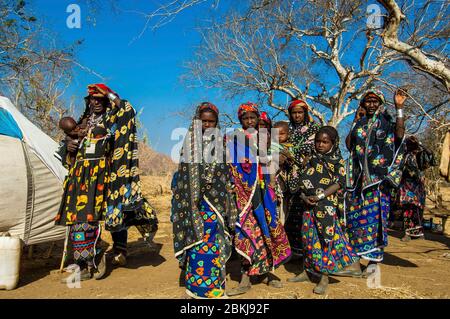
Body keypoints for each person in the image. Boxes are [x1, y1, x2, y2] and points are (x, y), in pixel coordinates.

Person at [55, 84, 158, 282]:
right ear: (88, 102)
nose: (96, 102)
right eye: (93, 99)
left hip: (106, 176)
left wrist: (110, 94)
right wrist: (69, 148)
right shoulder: (81, 122)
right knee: (80, 220)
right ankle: (84, 264)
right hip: (80, 179)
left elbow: (128, 111)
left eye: (100, 98)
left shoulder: (113, 120)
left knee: (115, 213)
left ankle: (119, 250)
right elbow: (66, 154)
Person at [171, 102, 237, 299]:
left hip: (215, 204)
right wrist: (189, 199)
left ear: (217, 123)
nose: (207, 125)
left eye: (211, 122)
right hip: (193, 205)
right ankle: (194, 288)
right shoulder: (189, 144)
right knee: (196, 243)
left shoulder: (222, 145)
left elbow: (226, 174)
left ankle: (214, 288)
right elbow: (183, 177)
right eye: (204, 121)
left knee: (214, 245)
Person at [226, 102, 291, 296]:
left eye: (252, 117)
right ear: (240, 120)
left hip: (264, 192)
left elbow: (271, 160)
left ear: (257, 118)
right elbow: (231, 163)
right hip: (243, 194)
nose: (249, 121)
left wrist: (267, 172)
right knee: (246, 232)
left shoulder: (264, 137)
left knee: (267, 228)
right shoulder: (234, 139)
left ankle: (270, 273)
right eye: (245, 118)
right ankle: (245, 276)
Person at [287, 126, 360, 294]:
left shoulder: (337, 161)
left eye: (325, 142)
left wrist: (319, 197)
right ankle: (307, 271)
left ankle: (324, 277)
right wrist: (305, 197)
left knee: (325, 240)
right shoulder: (310, 159)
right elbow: (301, 182)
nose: (320, 145)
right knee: (308, 238)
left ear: (333, 143)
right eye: (318, 141)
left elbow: (339, 183)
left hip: (326, 208)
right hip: (308, 206)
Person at [345, 88, 407, 273]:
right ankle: (356, 260)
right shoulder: (360, 123)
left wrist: (399, 108)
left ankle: (373, 262)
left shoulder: (387, 121)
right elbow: (349, 145)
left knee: (376, 220)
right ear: (363, 104)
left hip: (378, 181)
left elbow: (400, 135)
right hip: (358, 180)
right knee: (356, 220)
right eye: (367, 101)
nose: (371, 104)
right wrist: (355, 120)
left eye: (374, 101)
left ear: (380, 103)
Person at [284, 99, 321, 258]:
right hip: (288, 175)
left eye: (300, 112)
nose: (297, 115)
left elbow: (320, 150)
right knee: (290, 214)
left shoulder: (315, 128)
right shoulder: (286, 129)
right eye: (294, 113)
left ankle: (306, 253)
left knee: (305, 212)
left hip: (308, 176)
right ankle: (293, 252)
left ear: (305, 113)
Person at [397, 136, 435, 241]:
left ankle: (419, 233)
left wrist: (422, 147)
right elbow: (400, 169)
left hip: (418, 187)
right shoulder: (404, 156)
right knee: (408, 209)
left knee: (418, 210)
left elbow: (432, 160)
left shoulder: (420, 155)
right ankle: (408, 233)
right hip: (407, 187)